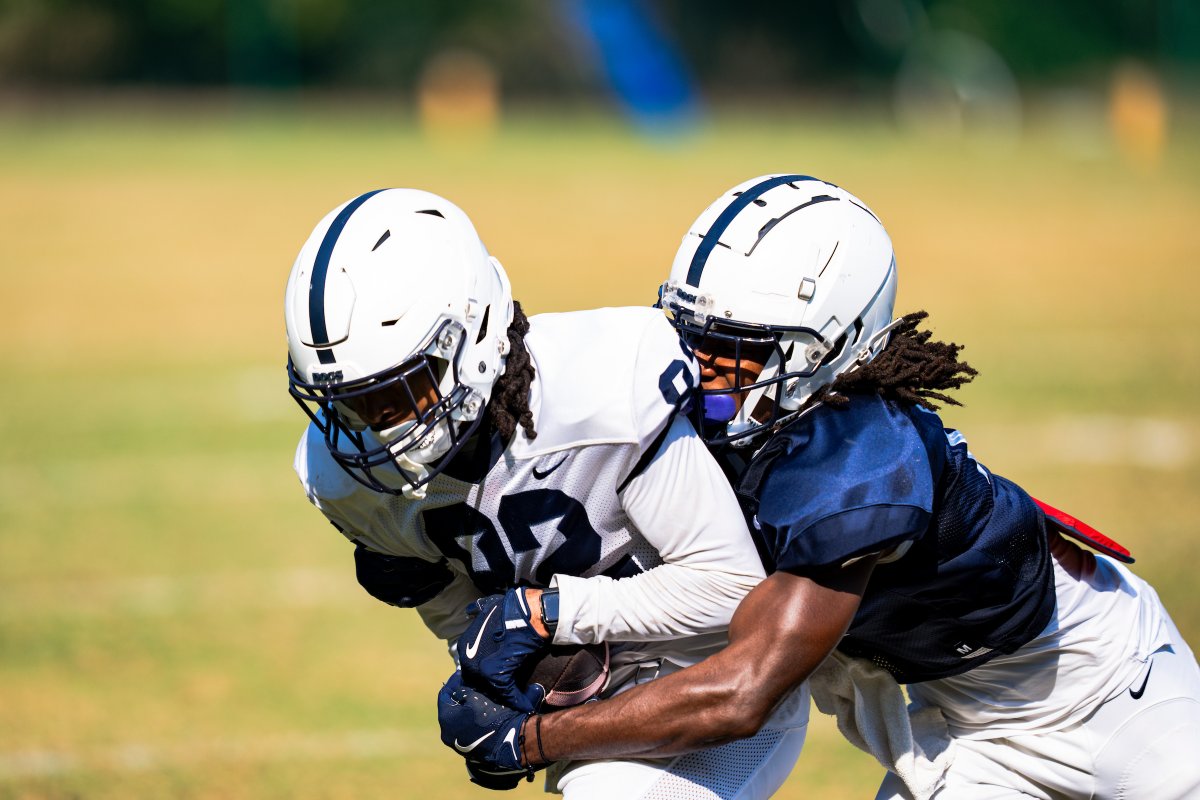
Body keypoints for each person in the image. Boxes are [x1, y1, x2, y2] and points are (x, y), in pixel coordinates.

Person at [439, 175, 1200, 799]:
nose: (700, 372)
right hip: (955, 727)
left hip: (1102, 690)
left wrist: (533, 737)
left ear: (833, 346)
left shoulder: (858, 456)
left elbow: (743, 689)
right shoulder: (716, 411)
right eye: (692, 338)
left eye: (734, 353)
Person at [284, 188, 810, 798]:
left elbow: (733, 591)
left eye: (403, 392)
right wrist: (497, 686)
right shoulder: (343, 478)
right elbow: (466, 619)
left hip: (710, 677)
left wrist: (549, 613)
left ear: (474, 333)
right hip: (597, 706)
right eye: (352, 405)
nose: (381, 428)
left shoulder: (605, 389)